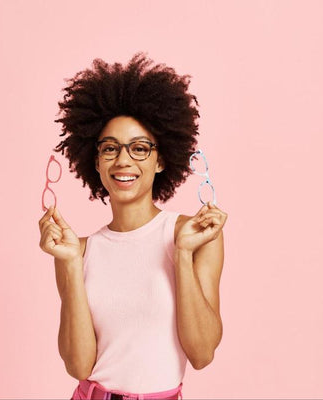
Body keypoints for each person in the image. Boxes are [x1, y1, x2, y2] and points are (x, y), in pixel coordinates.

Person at [38, 52, 228, 400]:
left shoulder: (192, 236)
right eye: (110, 148)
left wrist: (182, 256)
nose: (123, 160)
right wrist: (68, 262)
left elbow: (202, 354)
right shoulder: (76, 251)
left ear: (161, 160)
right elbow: (79, 366)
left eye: (139, 148)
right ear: (95, 160)